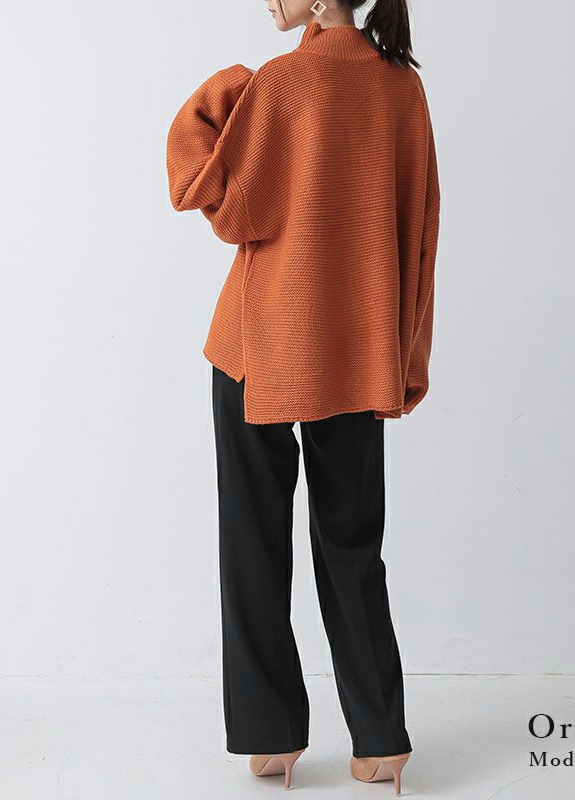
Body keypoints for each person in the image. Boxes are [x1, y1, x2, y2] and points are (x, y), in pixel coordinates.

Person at [166, 0, 440, 793]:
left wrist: (223, 90)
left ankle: (272, 738)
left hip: (259, 344)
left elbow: (223, 205)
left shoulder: (281, 83)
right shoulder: (403, 88)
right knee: (353, 547)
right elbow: (420, 229)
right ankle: (381, 743)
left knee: (253, 538)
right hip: (356, 352)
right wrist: (403, 355)